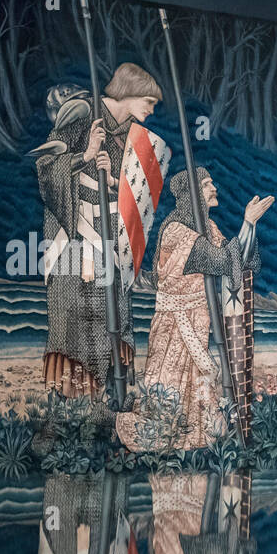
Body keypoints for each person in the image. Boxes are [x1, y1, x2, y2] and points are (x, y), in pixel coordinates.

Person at [114, 168, 272, 452]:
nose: (214, 187)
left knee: (195, 389)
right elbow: (222, 260)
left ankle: (193, 445)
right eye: (207, 184)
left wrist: (250, 228)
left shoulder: (207, 228)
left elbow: (239, 261)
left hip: (197, 321)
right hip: (175, 323)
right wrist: (246, 223)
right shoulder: (177, 231)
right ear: (192, 193)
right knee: (171, 385)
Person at [35, 63, 163, 402]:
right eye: (148, 101)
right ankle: (72, 404)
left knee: (114, 317)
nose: (151, 110)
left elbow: (133, 195)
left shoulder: (133, 137)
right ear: (130, 91)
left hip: (111, 242)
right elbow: (47, 169)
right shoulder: (82, 116)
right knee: (76, 319)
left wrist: (112, 183)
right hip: (73, 240)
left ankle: (109, 398)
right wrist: (87, 154)